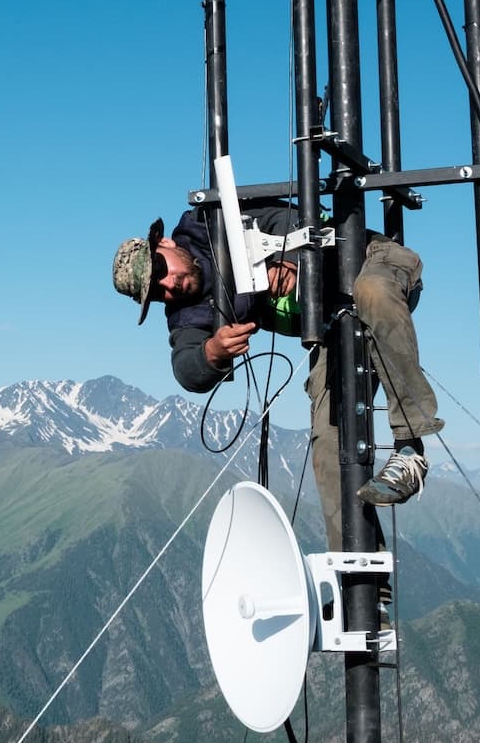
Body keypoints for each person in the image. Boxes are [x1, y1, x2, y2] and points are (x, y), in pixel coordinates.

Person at [112, 205, 444, 544]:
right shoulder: (189, 312)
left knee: (373, 291)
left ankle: (409, 446)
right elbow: (187, 368)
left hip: (371, 258)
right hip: (337, 322)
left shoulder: (212, 218)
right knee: (330, 443)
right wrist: (212, 351)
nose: (169, 284)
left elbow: (286, 217)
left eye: (160, 270)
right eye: (156, 291)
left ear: (165, 243)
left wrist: (290, 258)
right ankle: (359, 576)